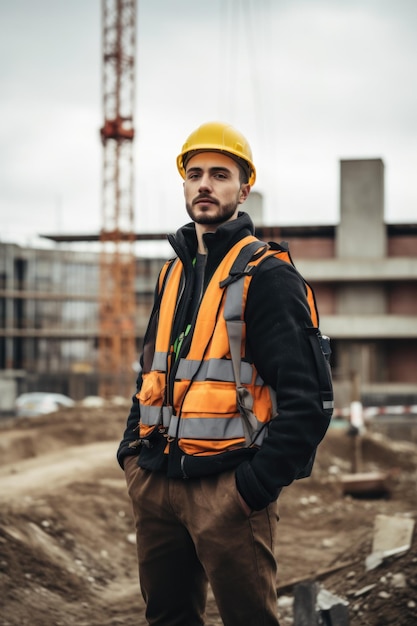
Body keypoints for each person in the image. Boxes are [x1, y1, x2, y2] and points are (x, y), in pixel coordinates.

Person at [117, 121, 333, 626]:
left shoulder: (268, 276)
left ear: (244, 187)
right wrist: (131, 454)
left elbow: (310, 402)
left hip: (228, 488)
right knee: (167, 618)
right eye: (194, 174)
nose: (205, 185)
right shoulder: (172, 271)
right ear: (184, 184)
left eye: (220, 174)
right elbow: (151, 371)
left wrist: (252, 489)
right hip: (156, 480)